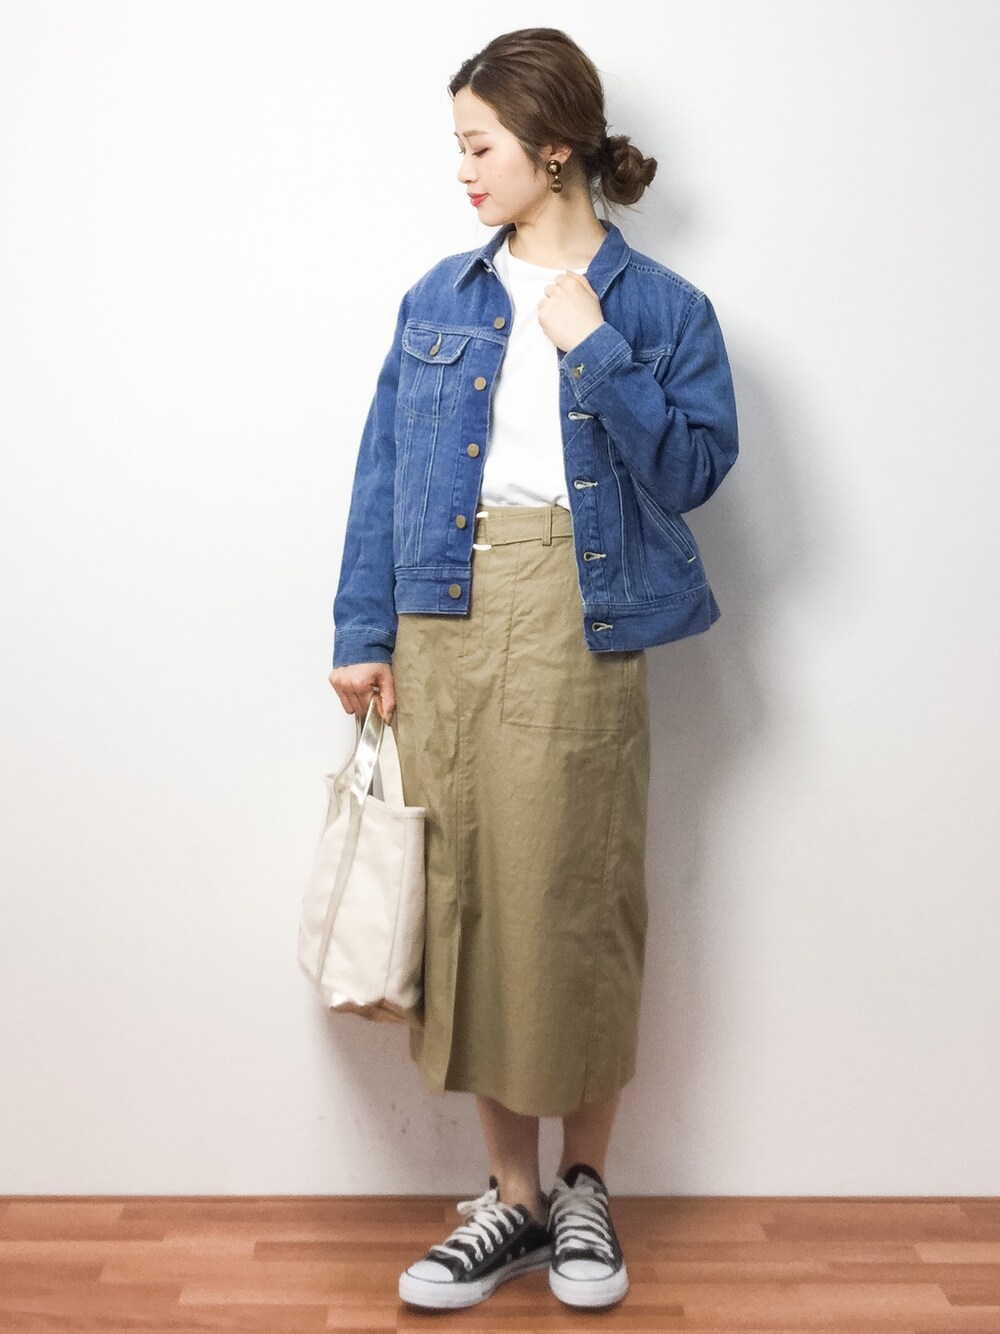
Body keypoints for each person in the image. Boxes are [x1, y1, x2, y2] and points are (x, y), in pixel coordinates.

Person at [327, 27, 739, 1314]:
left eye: (478, 146)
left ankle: (582, 1187)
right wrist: (360, 629)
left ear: (553, 148)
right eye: (458, 147)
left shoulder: (662, 309)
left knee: (573, 895)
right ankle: (509, 1197)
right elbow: (383, 470)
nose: (461, 169)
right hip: (441, 618)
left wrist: (591, 346)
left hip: (581, 619)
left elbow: (692, 471)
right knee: (467, 900)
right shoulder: (436, 299)